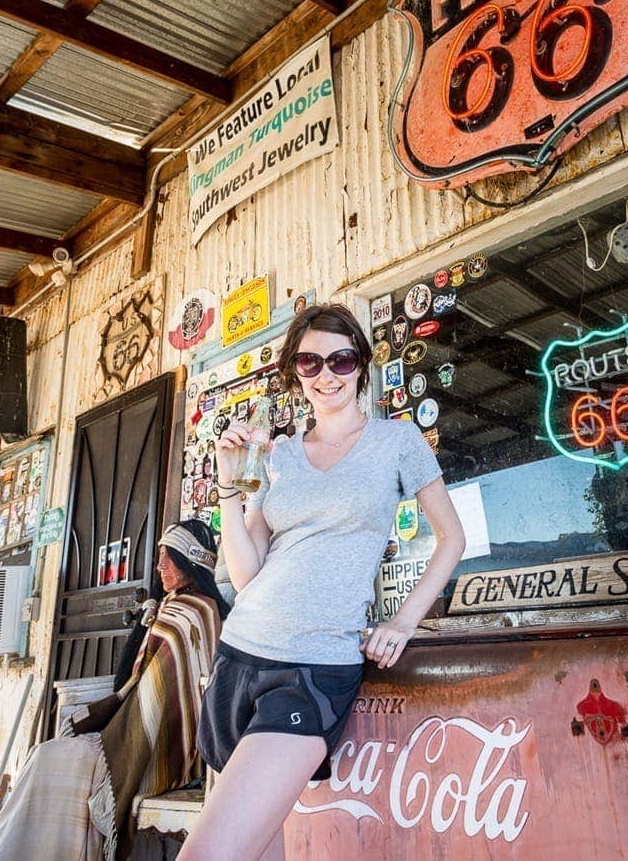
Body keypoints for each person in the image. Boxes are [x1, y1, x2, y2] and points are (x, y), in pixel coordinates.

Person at [180, 303, 466, 861]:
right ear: (294, 371)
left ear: (361, 364)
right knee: (260, 851)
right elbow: (246, 572)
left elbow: (450, 538)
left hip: (312, 668)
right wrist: (229, 486)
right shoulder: (278, 456)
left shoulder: (398, 442)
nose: (327, 373)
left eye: (341, 358)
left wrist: (404, 621)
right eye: (310, 362)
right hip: (239, 655)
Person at [0, 521, 225, 861]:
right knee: (43, 757)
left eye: (169, 557)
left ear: (189, 561)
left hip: (158, 746)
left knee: (49, 759)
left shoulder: (191, 611)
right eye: (159, 557)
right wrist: (144, 620)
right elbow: (127, 681)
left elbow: (145, 692)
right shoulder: (173, 607)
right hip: (135, 730)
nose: (159, 566)